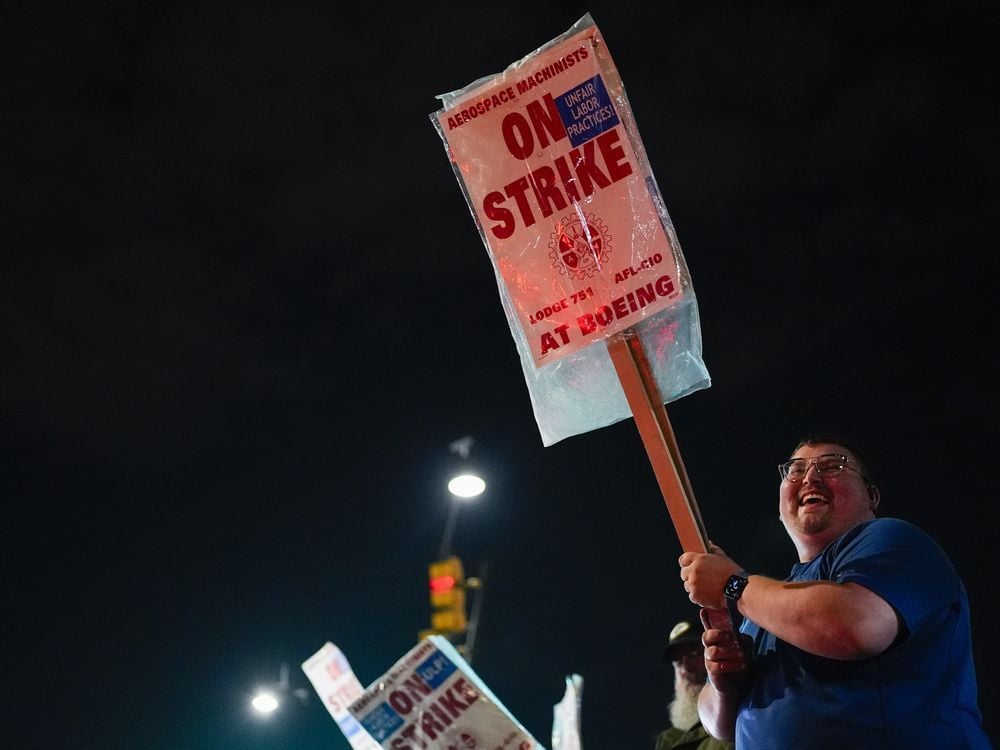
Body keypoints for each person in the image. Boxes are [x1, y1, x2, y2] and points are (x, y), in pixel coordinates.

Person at [677, 433, 991, 748]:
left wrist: (733, 584)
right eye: (795, 470)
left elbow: (857, 625)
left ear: (871, 497)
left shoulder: (894, 540)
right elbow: (719, 727)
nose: (810, 477)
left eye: (832, 466)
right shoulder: (764, 608)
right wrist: (725, 685)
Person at [654, 618, 733, 750]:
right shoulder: (669, 740)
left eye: (694, 654)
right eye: (678, 662)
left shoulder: (740, 716)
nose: (685, 668)